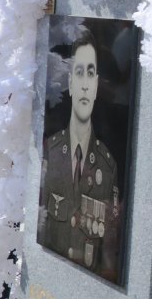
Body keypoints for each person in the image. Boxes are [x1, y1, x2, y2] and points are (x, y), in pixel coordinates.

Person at [40, 37, 123, 281]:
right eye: (79, 73)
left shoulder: (108, 165)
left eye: (91, 74)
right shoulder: (51, 150)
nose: (85, 85)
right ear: (70, 82)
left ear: (96, 85)